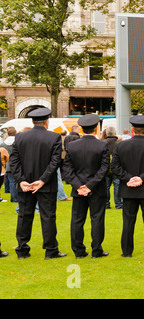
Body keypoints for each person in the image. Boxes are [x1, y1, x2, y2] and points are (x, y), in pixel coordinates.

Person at [9, 108, 67, 259]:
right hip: (45, 185)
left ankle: (22, 249)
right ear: (47, 122)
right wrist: (42, 180)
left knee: (24, 216)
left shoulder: (20, 137)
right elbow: (55, 162)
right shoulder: (54, 137)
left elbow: (14, 161)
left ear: (33, 122)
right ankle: (50, 250)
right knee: (47, 217)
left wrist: (21, 180)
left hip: (27, 184)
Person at [111, 115, 144, 258]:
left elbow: (115, 167)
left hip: (129, 189)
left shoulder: (121, 145)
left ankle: (127, 251)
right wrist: (141, 178)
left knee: (128, 221)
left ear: (132, 129)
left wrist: (131, 178)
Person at [62, 114, 110, 258]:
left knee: (77, 220)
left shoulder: (72, 145)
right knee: (97, 219)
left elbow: (67, 168)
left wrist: (79, 186)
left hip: (80, 188)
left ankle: (78, 250)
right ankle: (96, 250)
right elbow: (104, 168)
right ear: (96, 128)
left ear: (82, 129)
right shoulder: (102, 145)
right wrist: (88, 186)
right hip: (95, 188)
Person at [104, 126, 122, 209]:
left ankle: (106, 204)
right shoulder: (119, 144)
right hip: (117, 168)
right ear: (115, 133)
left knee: (106, 187)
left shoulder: (102, 143)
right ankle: (118, 204)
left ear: (106, 133)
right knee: (117, 186)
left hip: (105, 168)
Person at [1, 127, 18, 203]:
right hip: (18, 163)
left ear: (8, 134)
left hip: (8, 164)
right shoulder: (18, 142)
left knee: (12, 181)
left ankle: (14, 198)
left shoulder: (3, 144)